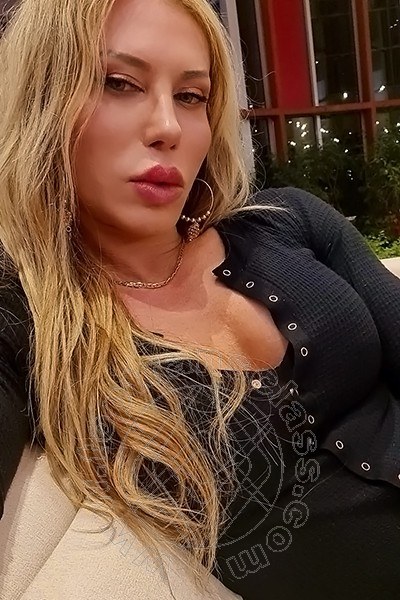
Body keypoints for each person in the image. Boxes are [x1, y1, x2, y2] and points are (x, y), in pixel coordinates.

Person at [0, 0, 399, 598]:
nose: (168, 126)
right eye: (119, 83)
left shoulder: (286, 220)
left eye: (191, 97)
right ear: (43, 101)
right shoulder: (28, 315)